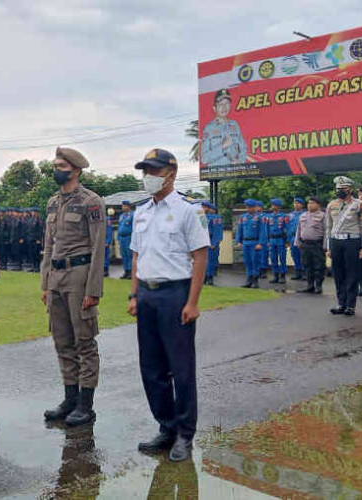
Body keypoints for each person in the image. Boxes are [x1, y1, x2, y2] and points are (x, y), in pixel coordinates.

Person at [127, 148, 210, 462]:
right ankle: (166, 427)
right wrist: (134, 295)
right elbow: (136, 255)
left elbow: (200, 255)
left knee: (181, 368)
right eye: (145, 171)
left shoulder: (190, 209)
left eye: (154, 171)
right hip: (147, 295)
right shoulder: (142, 211)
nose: (148, 177)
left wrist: (193, 302)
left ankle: (185, 435)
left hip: (176, 295)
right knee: (151, 368)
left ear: (171, 174)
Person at [41, 146, 105, 427]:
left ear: (76, 170)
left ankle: (85, 405)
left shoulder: (91, 202)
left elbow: (98, 247)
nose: (57, 170)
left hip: (79, 276)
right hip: (56, 277)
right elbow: (48, 246)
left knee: (84, 342)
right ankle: (69, 398)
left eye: (61, 166)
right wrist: (45, 283)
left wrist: (94, 289)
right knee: (62, 341)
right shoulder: (53, 202)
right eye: (55, 165)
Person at [326, 176, 362, 316]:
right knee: (338, 273)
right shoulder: (331, 205)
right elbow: (328, 227)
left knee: (352, 273)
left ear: (349, 189)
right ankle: (341, 303)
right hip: (336, 242)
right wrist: (329, 247)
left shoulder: (360, 204)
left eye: (342, 188)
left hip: (352, 242)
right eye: (338, 189)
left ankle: (350, 305)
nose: (340, 191)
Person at [200, 89, 248, 166]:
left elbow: (243, 148)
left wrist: (240, 161)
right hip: (217, 175)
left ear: (230, 105)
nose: (224, 107)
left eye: (227, 103)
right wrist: (222, 146)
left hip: (235, 174)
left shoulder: (234, 125)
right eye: (220, 104)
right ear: (214, 108)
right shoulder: (209, 129)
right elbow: (204, 159)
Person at [294, 197, 326, 294]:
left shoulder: (323, 216)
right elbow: (299, 230)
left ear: (318, 205)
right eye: (309, 203)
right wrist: (297, 242)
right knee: (307, 265)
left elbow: (327, 231)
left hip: (317, 244)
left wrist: (326, 245)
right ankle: (310, 285)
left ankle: (318, 286)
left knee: (318, 266)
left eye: (312, 203)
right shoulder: (303, 215)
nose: (310, 205)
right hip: (305, 243)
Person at [235, 199, 265, 288]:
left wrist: (260, 243)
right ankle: (249, 280)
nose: (247, 209)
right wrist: (239, 241)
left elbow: (262, 231)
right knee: (247, 261)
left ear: (254, 207)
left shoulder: (259, 217)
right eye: (246, 207)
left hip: (255, 241)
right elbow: (240, 229)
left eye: (249, 207)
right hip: (246, 242)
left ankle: (255, 280)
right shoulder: (243, 217)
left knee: (255, 261)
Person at [263, 198, 288, 284]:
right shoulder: (269, 217)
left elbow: (287, 228)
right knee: (273, 258)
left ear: (279, 206)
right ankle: (275, 275)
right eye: (273, 205)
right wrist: (267, 240)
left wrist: (287, 241)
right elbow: (267, 229)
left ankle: (283, 276)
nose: (274, 207)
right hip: (272, 239)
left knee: (282, 258)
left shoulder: (284, 216)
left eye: (275, 205)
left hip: (280, 239)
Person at [201, 201, 222, 286]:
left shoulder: (215, 218)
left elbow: (217, 232)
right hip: (203, 241)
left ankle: (210, 278)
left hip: (210, 240)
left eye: (204, 207)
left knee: (211, 261)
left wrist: (214, 243)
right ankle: (204, 277)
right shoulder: (201, 217)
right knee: (203, 261)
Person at [288, 197, 305, 280]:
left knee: (302, 255)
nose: (296, 205)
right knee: (294, 255)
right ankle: (298, 272)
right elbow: (288, 227)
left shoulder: (304, 214)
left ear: (302, 205)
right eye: (295, 203)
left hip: (301, 237)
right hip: (292, 237)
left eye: (298, 203)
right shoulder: (290, 215)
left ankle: (304, 273)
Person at [117, 201, 134, 280]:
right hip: (122, 238)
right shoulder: (122, 216)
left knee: (129, 255)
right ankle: (126, 271)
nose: (123, 207)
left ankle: (131, 272)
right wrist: (118, 238)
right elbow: (119, 227)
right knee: (124, 255)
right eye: (122, 206)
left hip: (129, 237)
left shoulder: (132, 215)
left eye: (124, 206)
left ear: (128, 206)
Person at [255, 200, 269, 278]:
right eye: (256, 206)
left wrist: (267, 239)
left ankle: (264, 271)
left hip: (264, 239)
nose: (257, 208)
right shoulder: (253, 216)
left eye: (258, 206)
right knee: (257, 256)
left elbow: (267, 228)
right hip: (255, 239)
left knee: (264, 255)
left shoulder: (265, 217)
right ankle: (257, 271)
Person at [28, 207, 44, 272]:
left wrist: (39, 239)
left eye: (35, 212)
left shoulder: (39, 220)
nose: (33, 213)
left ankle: (37, 267)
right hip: (31, 239)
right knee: (31, 253)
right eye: (33, 212)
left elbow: (40, 231)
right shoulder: (30, 220)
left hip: (36, 240)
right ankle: (33, 266)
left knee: (37, 254)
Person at [104, 210, 113, 277]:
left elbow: (109, 231)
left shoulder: (107, 220)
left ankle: (106, 270)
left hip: (105, 241)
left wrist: (107, 241)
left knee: (105, 257)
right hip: (99, 241)